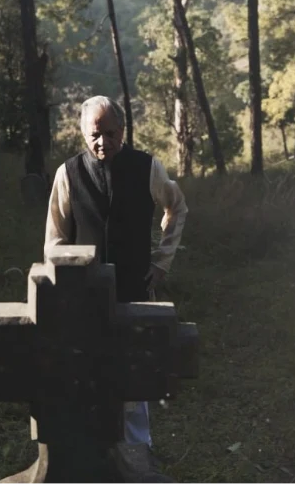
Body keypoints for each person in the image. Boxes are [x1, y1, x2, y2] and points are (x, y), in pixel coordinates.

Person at [44, 95, 188, 484]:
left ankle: (138, 455)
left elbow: (176, 207)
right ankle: (90, 452)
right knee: (86, 370)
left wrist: (161, 262)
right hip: (84, 296)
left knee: (135, 372)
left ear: (122, 131)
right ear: (82, 132)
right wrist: (62, 286)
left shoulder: (147, 167)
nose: (102, 142)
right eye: (95, 134)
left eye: (110, 133)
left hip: (133, 287)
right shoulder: (68, 173)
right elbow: (55, 238)